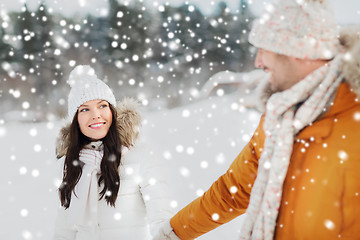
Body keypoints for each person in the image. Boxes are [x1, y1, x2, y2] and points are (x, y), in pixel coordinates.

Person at [154, 0, 360, 239]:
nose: (258, 62)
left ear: (300, 51)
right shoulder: (279, 118)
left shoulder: (353, 127)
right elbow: (235, 191)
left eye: (265, 49)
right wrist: (174, 232)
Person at [53, 65, 173, 239]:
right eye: (85, 109)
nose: (96, 115)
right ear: (75, 120)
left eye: (102, 106)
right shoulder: (70, 163)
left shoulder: (139, 155)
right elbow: (64, 231)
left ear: (112, 111)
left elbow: (162, 219)